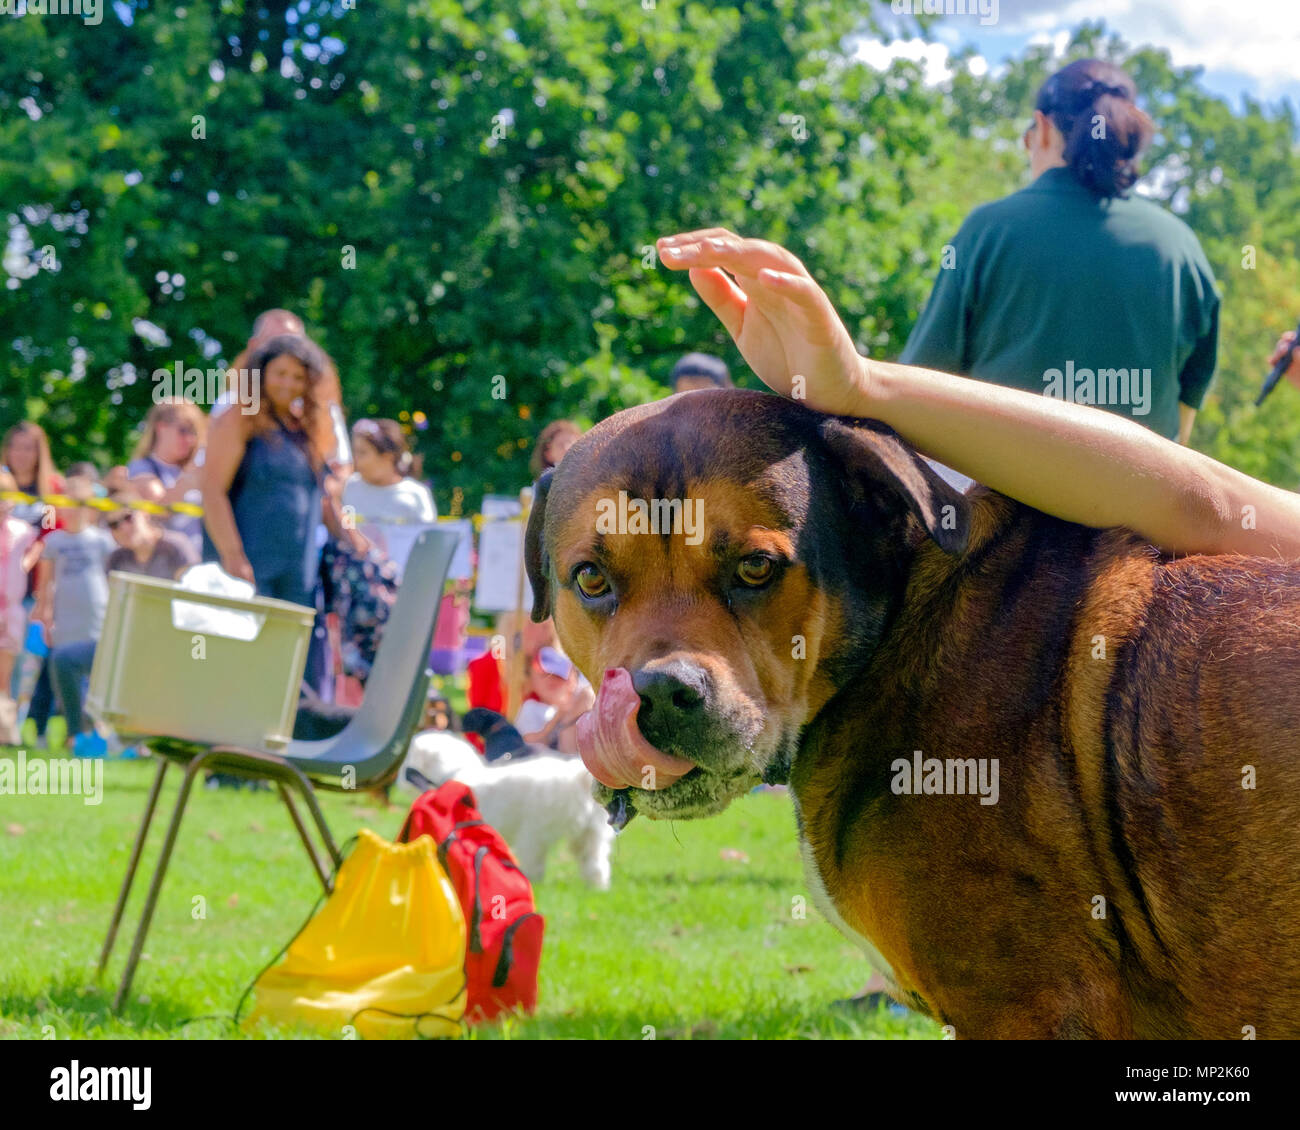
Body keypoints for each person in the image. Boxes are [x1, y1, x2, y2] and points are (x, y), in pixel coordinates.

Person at [900, 58, 1219, 446]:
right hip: (1138, 502)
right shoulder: (1182, 247)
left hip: (993, 499)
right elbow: (1184, 417)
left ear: (1044, 128)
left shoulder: (988, 230)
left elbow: (920, 387)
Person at [32, 466, 115, 757]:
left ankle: (98, 731)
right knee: (64, 676)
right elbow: (46, 583)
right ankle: (74, 732)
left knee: (97, 680)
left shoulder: (102, 540)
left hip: (98, 617)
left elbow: (110, 578)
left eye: (81, 505)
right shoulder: (54, 543)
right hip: (67, 619)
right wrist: (44, 614)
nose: (75, 512)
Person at [342, 418, 436, 580]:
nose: (355, 460)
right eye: (355, 452)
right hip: (354, 586)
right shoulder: (349, 488)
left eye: (363, 453)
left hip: (403, 587)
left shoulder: (415, 495)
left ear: (388, 456)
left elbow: (428, 548)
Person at [127, 399, 206, 554]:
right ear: (161, 427)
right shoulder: (141, 467)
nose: (190, 440)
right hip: (165, 564)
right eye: (183, 430)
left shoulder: (189, 468)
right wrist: (189, 480)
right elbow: (158, 508)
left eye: (194, 433)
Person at [0, 470, 40, 742]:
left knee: (6, 674)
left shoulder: (22, 531)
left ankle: (6, 729)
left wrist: (24, 567)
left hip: (11, 609)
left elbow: (39, 547)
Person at [105, 487, 198, 580]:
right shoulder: (117, 560)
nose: (123, 528)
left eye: (128, 518)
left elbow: (192, 589)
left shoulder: (176, 547)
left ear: (145, 514)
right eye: (114, 524)